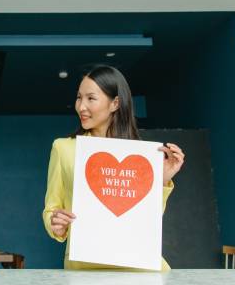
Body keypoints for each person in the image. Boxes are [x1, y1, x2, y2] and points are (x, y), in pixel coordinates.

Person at [42, 65, 185, 271]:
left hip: (139, 267)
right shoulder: (63, 148)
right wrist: (55, 222)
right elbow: (51, 208)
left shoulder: (139, 156)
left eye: (91, 98)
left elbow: (146, 221)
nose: (81, 106)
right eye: (78, 97)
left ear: (115, 103)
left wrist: (161, 180)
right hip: (85, 267)